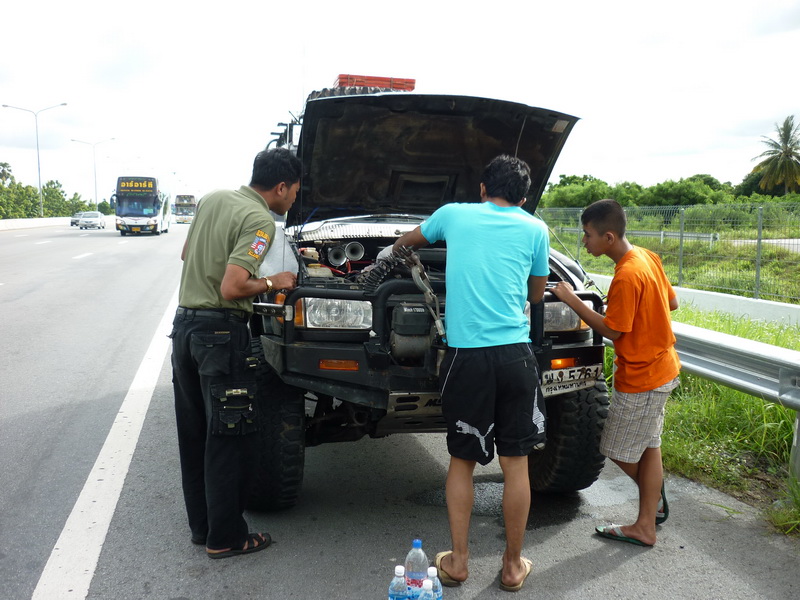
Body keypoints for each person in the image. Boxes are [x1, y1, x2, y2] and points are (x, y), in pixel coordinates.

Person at [387, 154, 548, 592]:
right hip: (516, 357)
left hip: (468, 358)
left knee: (462, 460)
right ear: (524, 197)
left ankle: (458, 563)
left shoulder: (453, 215)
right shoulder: (536, 229)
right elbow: (536, 294)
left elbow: (404, 243)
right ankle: (512, 566)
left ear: (482, 189)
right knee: (516, 464)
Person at [170, 147, 302, 559]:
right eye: (295, 192)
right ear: (281, 187)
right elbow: (231, 288)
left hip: (185, 330)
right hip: (220, 336)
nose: (293, 199)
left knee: (195, 435)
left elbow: (187, 254)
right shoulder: (260, 219)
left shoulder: (212, 198)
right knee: (229, 438)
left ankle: (204, 528)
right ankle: (227, 537)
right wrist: (274, 281)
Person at [550, 198, 680, 547]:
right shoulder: (646, 257)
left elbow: (613, 330)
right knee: (650, 446)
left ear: (608, 237)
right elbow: (671, 302)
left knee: (616, 449)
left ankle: (649, 510)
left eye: (587, 235)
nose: (583, 242)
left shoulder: (626, 274)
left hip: (643, 377)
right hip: (664, 367)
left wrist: (571, 300)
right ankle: (647, 518)